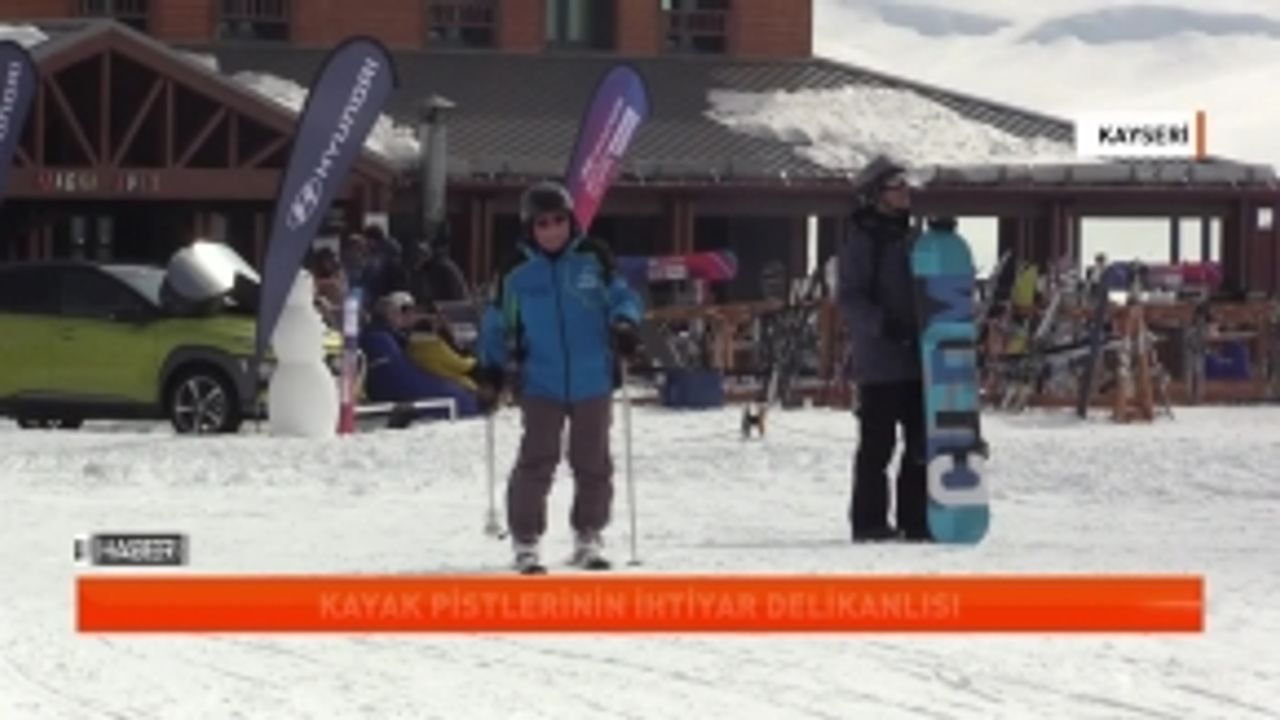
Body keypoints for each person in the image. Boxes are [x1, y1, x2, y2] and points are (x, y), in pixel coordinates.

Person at [475, 180, 643, 572]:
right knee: (537, 460)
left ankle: (588, 535)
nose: (552, 230)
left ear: (571, 221)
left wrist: (625, 323)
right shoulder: (516, 270)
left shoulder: (593, 258)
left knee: (593, 461)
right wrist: (490, 371)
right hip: (540, 379)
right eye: (542, 224)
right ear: (529, 228)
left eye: (558, 221)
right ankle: (526, 541)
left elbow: (623, 297)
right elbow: (497, 323)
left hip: (592, 377)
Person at [837, 156, 930, 543]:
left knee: (921, 443)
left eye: (907, 186)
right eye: (896, 187)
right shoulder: (863, 242)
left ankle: (917, 519)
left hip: (920, 360)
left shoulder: (916, 239)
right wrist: (884, 325)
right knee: (878, 445)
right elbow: (850, 298)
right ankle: (869, 521)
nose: (905, 193)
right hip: (880, 362)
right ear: (876, 195)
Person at [359, 291, 480, 423]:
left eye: (412, 311)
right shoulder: (390, 340)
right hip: (446, 387)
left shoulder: (399, 341)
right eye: (403, 311)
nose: (408, 316)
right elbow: (457, 364)